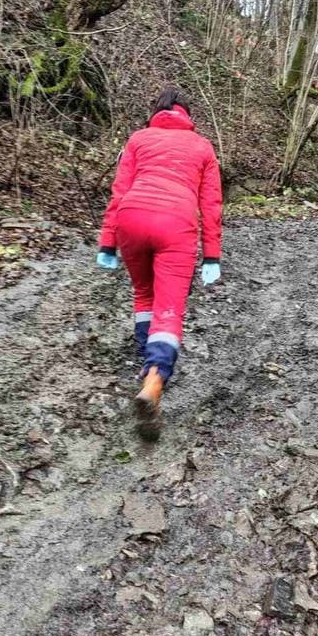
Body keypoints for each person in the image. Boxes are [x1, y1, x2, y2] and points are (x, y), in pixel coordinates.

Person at [96, 86, 223, 441]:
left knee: (143, 294)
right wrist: (212, 254)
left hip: (131, 218)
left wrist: (107, 242)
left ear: (157, 112)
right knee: (169, 307)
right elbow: (211, 205)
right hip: (176, 224)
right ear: (186, 115)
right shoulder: (201, 146)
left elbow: (118, 192)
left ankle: (145, 359)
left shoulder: (137, 139)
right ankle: (154, 378)